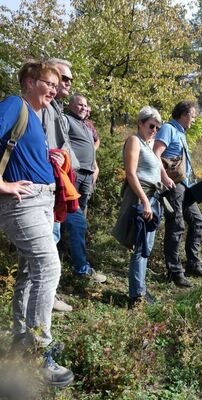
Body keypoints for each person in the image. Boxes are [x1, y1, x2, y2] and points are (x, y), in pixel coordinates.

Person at [0, 60, 74, 387]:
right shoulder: (15, 104)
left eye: (58, 86)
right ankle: (39, 354)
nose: (55, 91)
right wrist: (1, 185)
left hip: (41, 202)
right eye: (50, 84)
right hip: (23, 203)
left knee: (30, 272)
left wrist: (50, 158)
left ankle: (20, 339)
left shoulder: (34, 117)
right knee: (49, 266)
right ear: (30, 81)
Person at [153, 100, 202, 287]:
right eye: (192, 116)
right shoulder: (168, 129)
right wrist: (164, 178)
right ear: (184, 114)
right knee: (176, 225)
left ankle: (193, 263)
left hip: (185, 185)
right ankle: (174, 271)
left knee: (198, 221)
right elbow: (156, 153)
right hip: (173, 185)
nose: (193, 120)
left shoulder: (181, 133)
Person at [43, 58, 77, 312]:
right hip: (46, 185)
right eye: (63, 78)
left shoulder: (57, 107)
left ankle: (49, 296)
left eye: (69, 80)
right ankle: (46, 299)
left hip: (59, 185)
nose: (67, 83)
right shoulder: (44, 107)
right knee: (48, 242)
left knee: (55, 237)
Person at [119, 106, 162, 306]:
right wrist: (144, 201)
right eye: (151, 126)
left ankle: (141, 289)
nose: (154, 130)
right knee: (140, 246)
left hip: (152, 198)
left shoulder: (148, 144)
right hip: (140, 198)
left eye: (157, 127)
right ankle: (136, 295)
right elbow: (131, 173)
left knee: (147, 245)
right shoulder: (134, 141)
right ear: (140, 123)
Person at [63, 94, 106, 282]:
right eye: (79, 104)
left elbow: (92, 146)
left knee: (78, 218)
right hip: (74, 174)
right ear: (71, 105)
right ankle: (79, 267)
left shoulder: (87, 126)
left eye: (85, 105)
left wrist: (94, 166)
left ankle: (70, 254)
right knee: (75, 219)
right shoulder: (66, 120)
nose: (83, 107)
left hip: (88, 176)